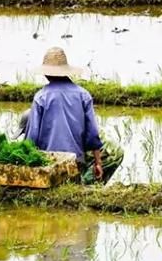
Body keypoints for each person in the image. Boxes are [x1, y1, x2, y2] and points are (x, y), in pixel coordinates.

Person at [22, 47, 103, 180]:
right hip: (76, 162)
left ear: (46, 73)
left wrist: (24, 162)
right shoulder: (83, 95)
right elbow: (93, 134)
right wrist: (98, 162)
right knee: (73, 192)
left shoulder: (41, 97)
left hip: (48, 163)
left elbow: (32, 138)